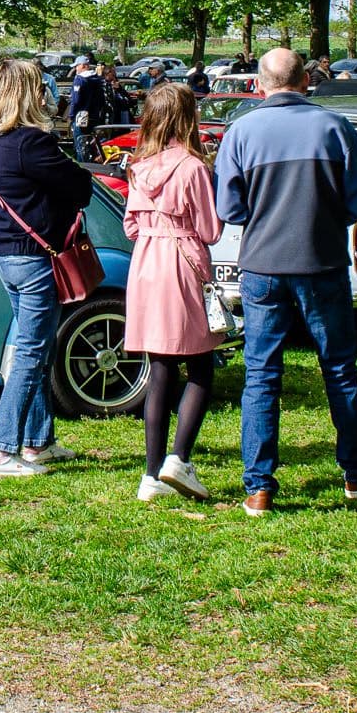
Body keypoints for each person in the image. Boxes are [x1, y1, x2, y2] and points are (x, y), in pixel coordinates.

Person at [215, 48, 357, 517]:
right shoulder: (335, 127)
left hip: (262, 264)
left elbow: (229, 208)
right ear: (306, 81)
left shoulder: (241, 131)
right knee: (339, 368)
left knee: (261, 374)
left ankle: (259, 486)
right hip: (321, 261)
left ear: (259, 83)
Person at [0, 58, 94, 478]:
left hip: (6, 253)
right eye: (39, 87)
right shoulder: (31, 143)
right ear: (27, 94)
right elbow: (80, 186)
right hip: (34, 257)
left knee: (37, 348)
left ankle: (37, 440)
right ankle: (1, 450)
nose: (45, 94)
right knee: (31, 352)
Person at [121, 84, 224, 503]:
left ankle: (151, 473)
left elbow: (130, 225)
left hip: (146, 263)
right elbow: (210, 230)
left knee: (160, 367)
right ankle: (179, 457)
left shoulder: (138, 167)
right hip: (181, 263)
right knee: (200, 365)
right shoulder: (193, 167)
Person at [66, 58, 108, 160]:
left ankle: (82, 166)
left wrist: (71, 115)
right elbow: (102, 100)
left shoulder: (79, 79)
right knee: (92, 145)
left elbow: (76, 100)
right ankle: (92, 165)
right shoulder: (97, 80)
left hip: (81, 117)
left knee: (80, 146)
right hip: (94, 117)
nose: (76, 69)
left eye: (77, 66)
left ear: (83, 66)